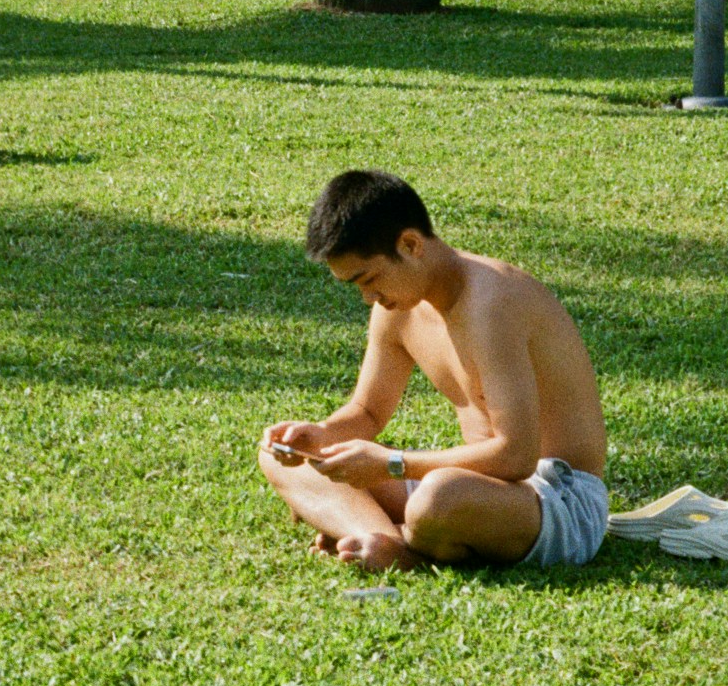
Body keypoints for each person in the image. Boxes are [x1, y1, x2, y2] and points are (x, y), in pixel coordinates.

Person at [259, 171, 610, 574]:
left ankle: (394, 536)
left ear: (410, 244)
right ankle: (386, 541)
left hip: (557, 500)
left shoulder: (493, 304)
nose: (368, 297)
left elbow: (517, 457)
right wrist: (321, 434)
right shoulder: (396, 310)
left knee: (439, 496)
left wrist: (392, 463)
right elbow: (368, 412)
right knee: (282, 455)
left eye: (370, 279)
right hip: (471, 488)